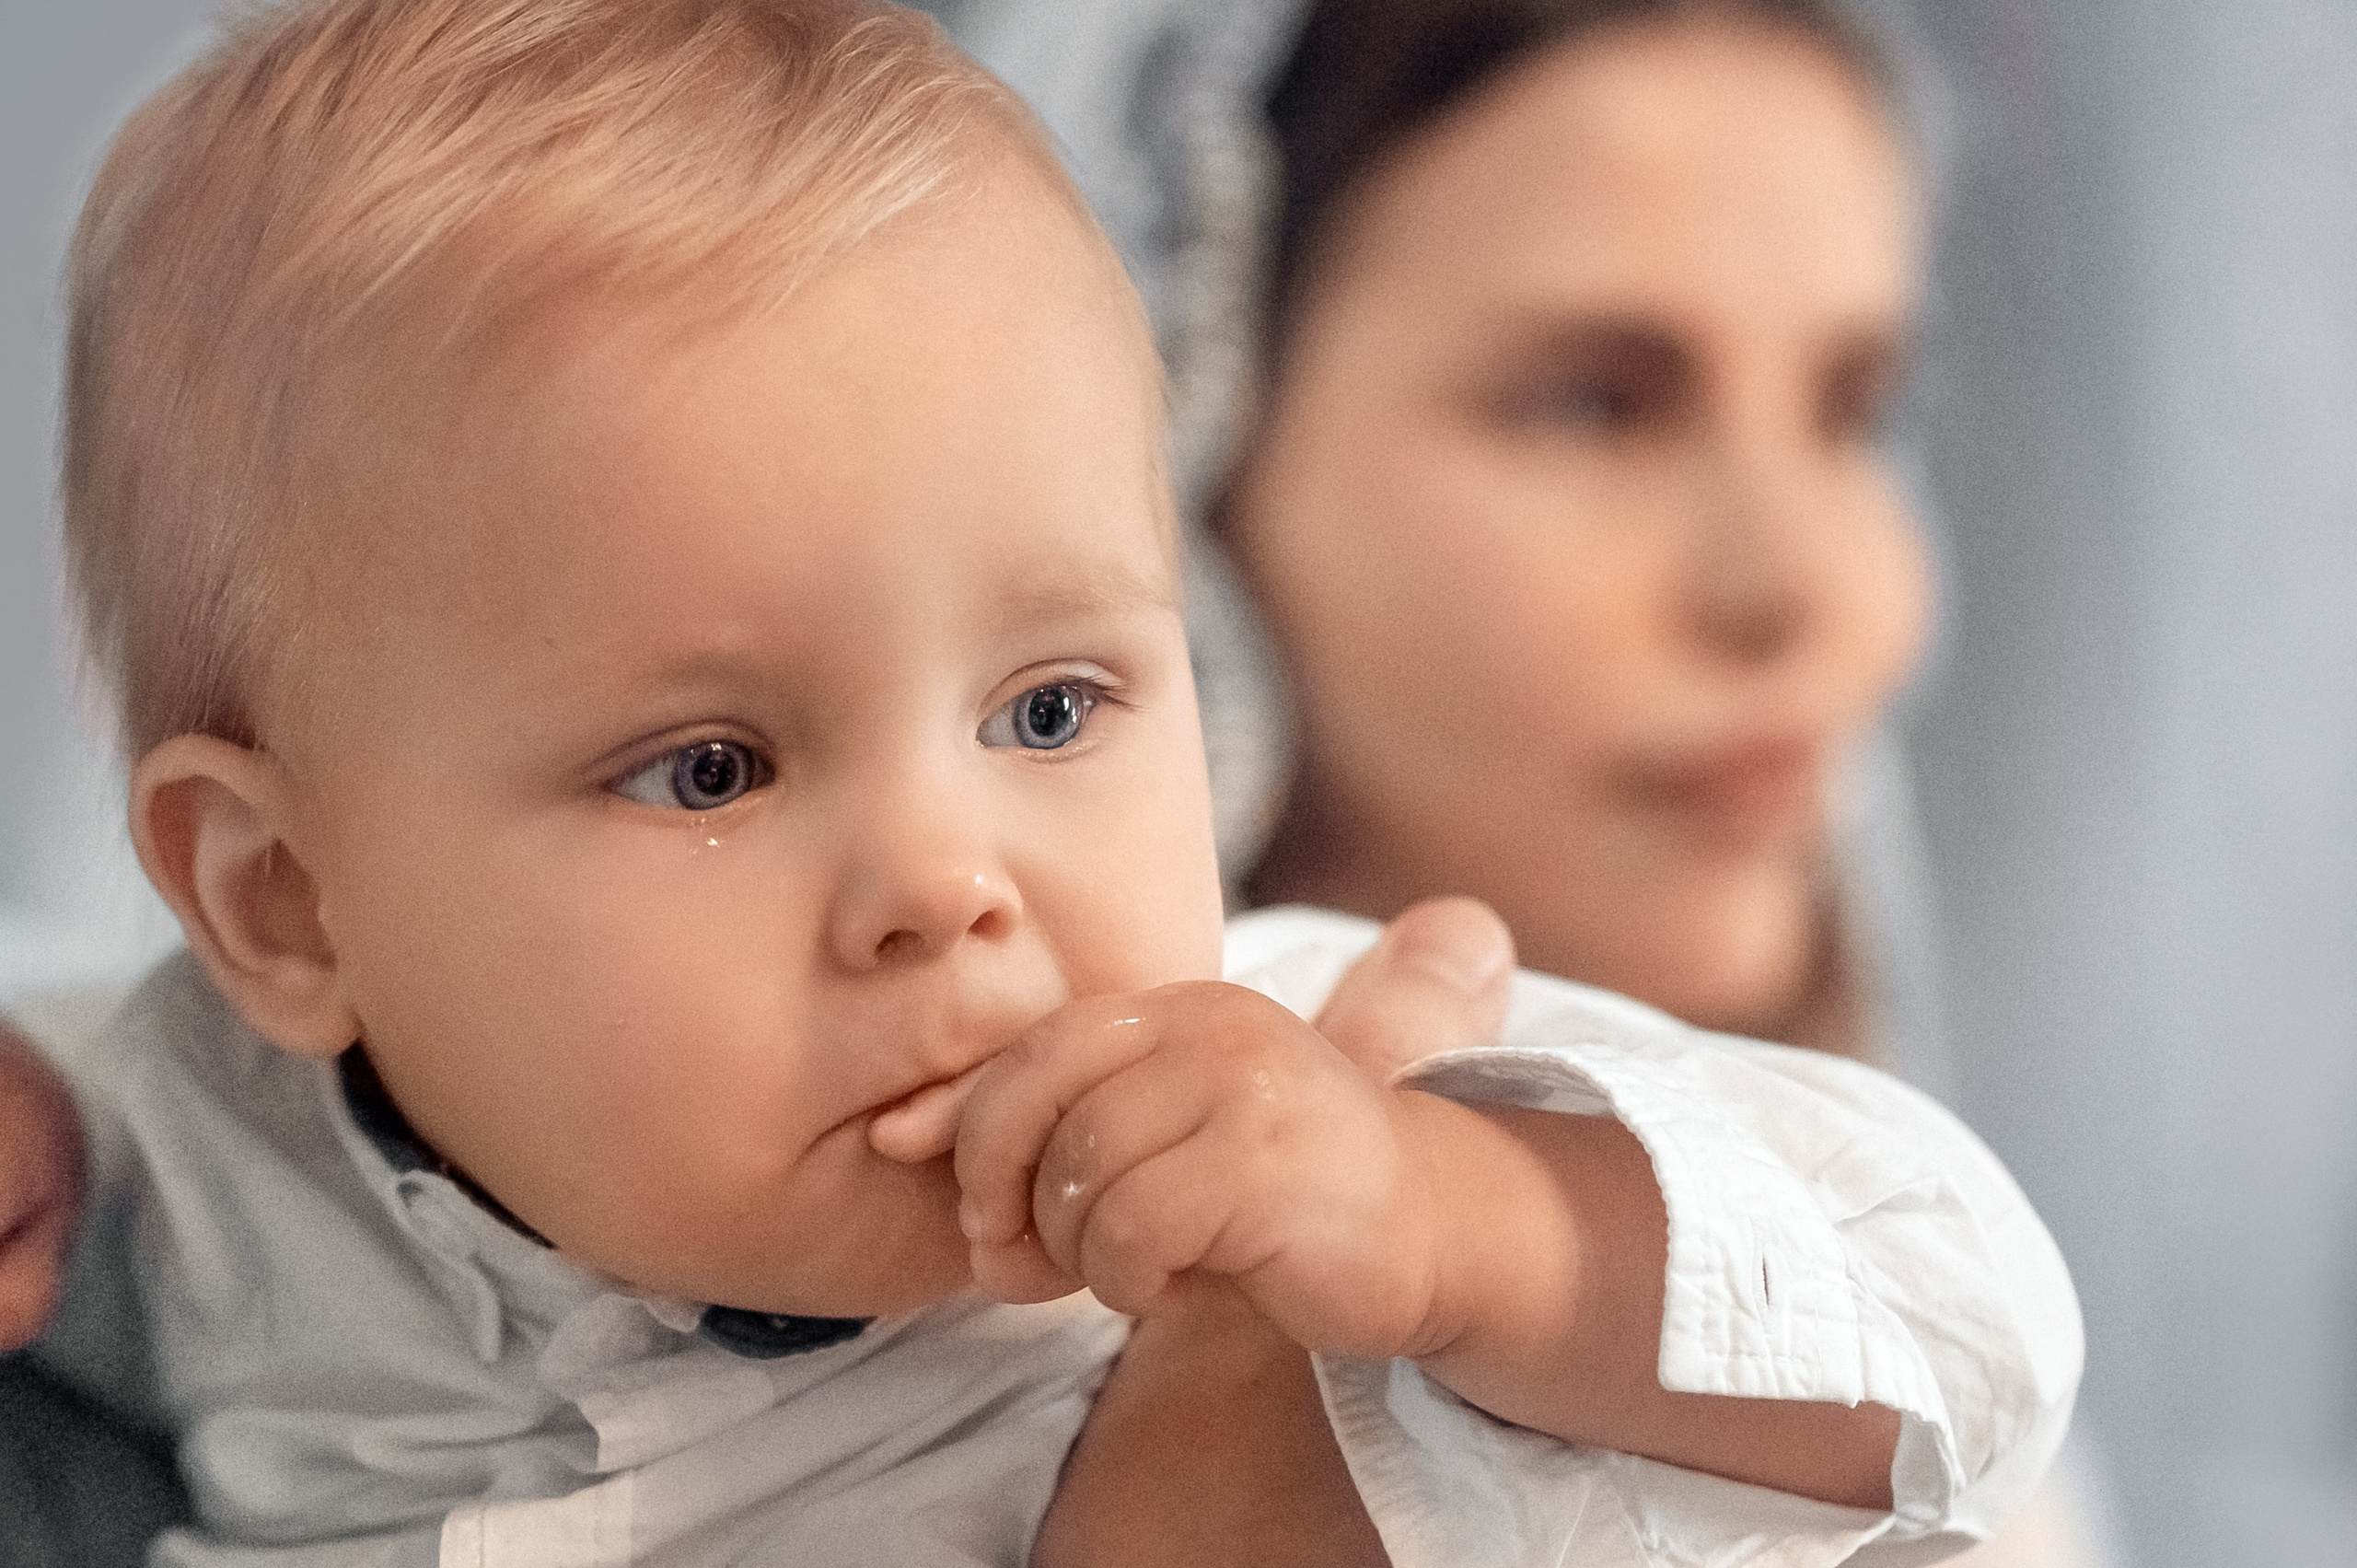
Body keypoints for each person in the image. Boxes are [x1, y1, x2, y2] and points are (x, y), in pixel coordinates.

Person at [1, 0, 2077, 1561]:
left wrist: (1465, 1233)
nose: (947, 880)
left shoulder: (1294, 1135)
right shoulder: (204, 1145)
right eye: (710, 766)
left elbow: (1966, 1326)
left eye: (1054, 711)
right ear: (281, 904)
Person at [911, 1, 2105, 1562]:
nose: (1809, 585)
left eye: (1852, 410)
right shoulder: (837, 1360)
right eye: (1597, 401)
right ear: (1186, 452)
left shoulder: (1878, 1350)